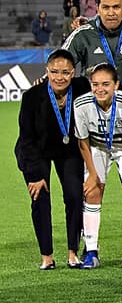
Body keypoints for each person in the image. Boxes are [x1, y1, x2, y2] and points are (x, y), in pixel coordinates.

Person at [15, 50, 87, 269]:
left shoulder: (83, 88)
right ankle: (46, 256)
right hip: (37, 152)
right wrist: (35, 175)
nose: (59, 77)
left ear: (73, 73)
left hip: (70, 151)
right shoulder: (32, 96)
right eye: (54, 72)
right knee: (40, 198)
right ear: (46, 72)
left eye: (65, 72)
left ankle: (73, 252)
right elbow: (27, 139)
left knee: (75, 197)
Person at [73, 62, 122, 268]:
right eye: (95, 84)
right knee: (92, 191)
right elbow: (83, 141)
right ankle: (91, 252)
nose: (100, 89)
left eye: (105, 84)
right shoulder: (81, 104)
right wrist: (93, 174)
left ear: (116, 85)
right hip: (97, 146)